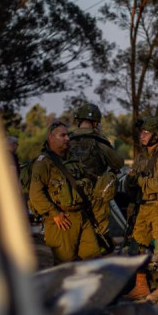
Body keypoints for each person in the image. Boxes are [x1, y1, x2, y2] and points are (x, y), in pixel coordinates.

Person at [27, 121, 102, 263]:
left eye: (68, 135)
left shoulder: (72, 159)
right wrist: (55, 214)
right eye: (63, 135)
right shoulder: (43, 162)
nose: (67, 138)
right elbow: (35, 194)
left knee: (93, 258)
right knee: (65, 265)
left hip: (81, 216)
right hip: (62, 220)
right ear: (51, 137)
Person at [66, 101, 123, 245]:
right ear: (96, 123)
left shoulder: (66, 140)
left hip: (68, 194)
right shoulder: (99, 141)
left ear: (78, 121)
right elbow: (118, 163)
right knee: (98, 233)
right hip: (94, 195)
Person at [130, 115, 158, 252]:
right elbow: (132, 180)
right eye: (142, 132)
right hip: (142, 207)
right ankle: (142, 274)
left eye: (147, 132)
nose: (142, 135)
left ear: (157, 135)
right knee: (136, 251)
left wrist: (138, 179)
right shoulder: (141, 156)